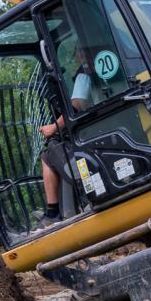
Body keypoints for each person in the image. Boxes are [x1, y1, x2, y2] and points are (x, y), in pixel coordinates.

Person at [36, 47, 93, 228]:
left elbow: (76, 104)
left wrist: (53, 128)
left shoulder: (84, 74)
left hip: (87, 133)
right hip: (91, 128)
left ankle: (54, 212)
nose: (76, 55)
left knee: (48, 155)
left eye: (77, 50)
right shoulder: (97, 71)